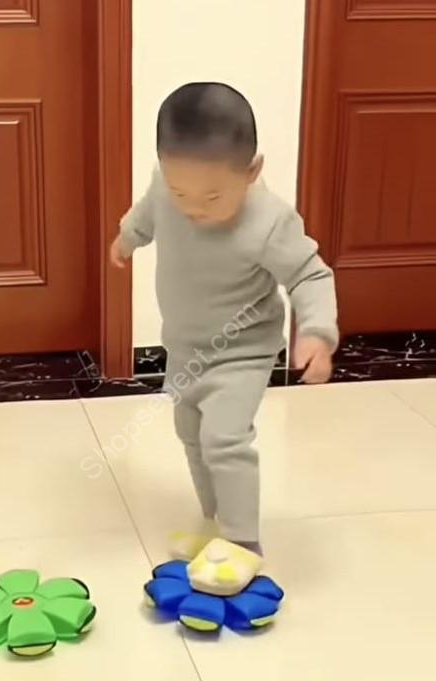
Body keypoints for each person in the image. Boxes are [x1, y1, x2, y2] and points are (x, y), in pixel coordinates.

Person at [110, 82, 338, 560]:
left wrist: (317, 332)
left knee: (224, 438)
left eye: (212, 197)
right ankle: (215, 523)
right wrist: (128, 236)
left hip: (242, 352)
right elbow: (149, 212)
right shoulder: (165, 189)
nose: (193, 207)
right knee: (192, 435)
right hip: (184, 349)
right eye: (180, 192)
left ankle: (243, 542)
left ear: (252, 171)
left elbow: (309, 273)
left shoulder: (270, 221)